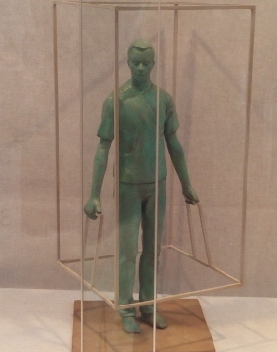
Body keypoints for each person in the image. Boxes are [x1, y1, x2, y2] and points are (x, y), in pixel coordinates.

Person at [84, 39, 198, 334]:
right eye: (136, 62)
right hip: (128, 187)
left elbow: (173, 144)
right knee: (127, 252)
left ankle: (148, 305)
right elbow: (103, 148)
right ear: (127, 63)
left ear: (154, 64)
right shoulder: (116, 101)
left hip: (156, 184)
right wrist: (94, 194)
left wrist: (186, 184)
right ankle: (125, 307)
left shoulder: (163, 100)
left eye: (146, 63)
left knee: (152, 251)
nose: (141, 68)